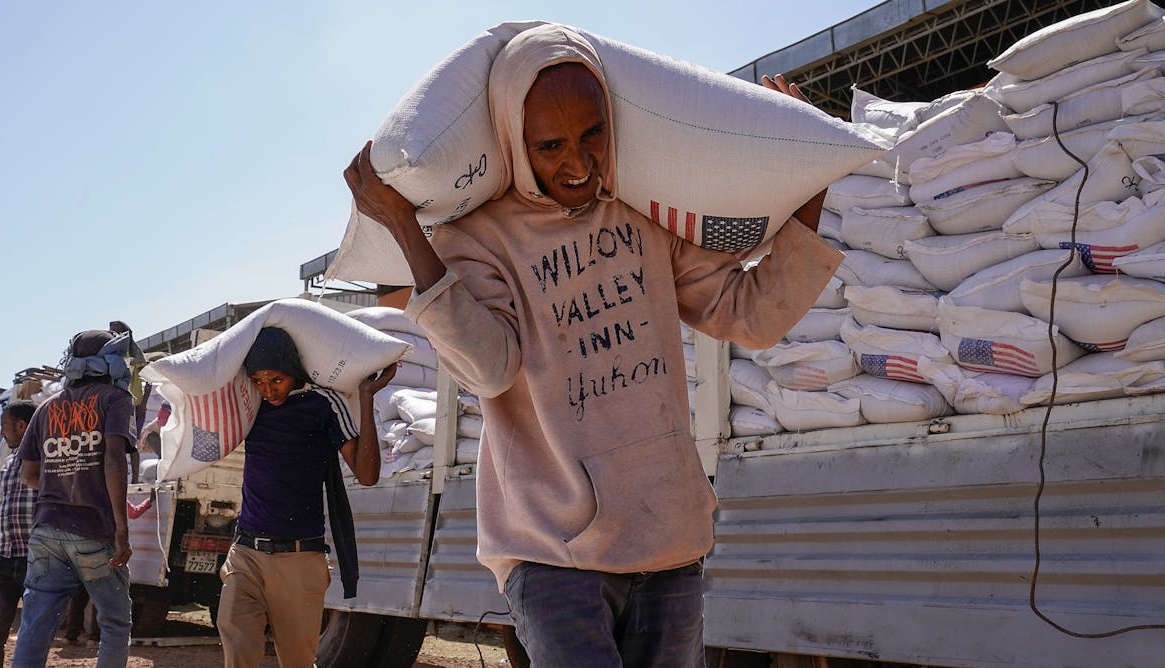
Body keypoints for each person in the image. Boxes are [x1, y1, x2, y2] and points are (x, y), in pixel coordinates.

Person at [345, 24, 842, 666]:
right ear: (513, 142)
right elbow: (490, 369)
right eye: (550, 146)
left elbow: (747, 315)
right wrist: (408, 231)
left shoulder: (644, 215)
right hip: (554, 553)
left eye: (592, 135)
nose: (577, 164)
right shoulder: (476, 241)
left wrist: (814, 175)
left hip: (669, 542)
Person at [216, 326, 396, 668]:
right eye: (259, 381)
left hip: (298, 560)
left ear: (293, 371)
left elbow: (367, 474)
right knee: (236, 640)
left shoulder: (322, 404)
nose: (268, 390)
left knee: (297, 662)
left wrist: (367, 396)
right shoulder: (249, 404)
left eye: (276, 380)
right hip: (246, 554)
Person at [11, 330, 138, 668]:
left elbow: (28, 475)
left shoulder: (46, 409)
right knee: (114, 623)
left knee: (35, 625)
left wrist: (63, 486)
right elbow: (114, 460)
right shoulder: (115, 399)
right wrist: (121, 529)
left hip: (47, 531)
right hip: (94, 530)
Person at [0, 400, 40, 668]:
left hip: (35, 559)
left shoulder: (47, 461)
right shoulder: (9, 463)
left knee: (34, 632)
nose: (2, 433)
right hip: (3, 558)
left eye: (4, 426)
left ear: (22, 426)